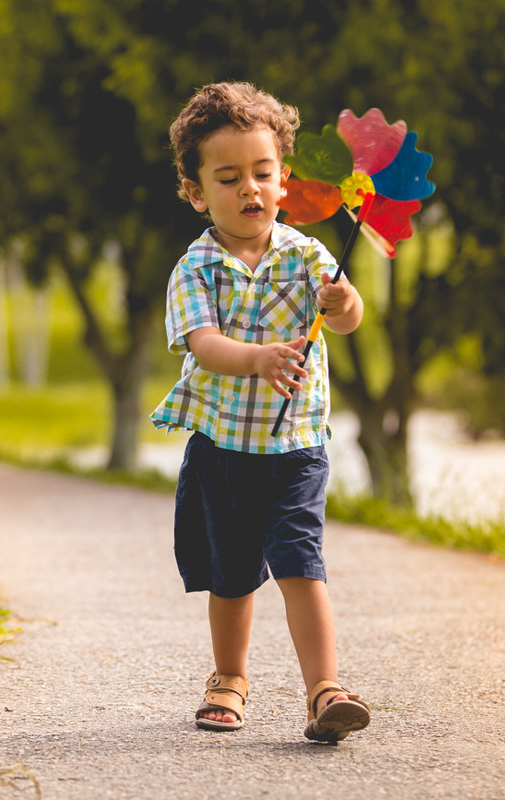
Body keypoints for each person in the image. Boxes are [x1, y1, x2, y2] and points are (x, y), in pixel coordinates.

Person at [150, 82, 370, 743]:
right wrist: (258, 359)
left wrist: (343, 305)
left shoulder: (308, 255)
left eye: (263, 173)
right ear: (195, 191)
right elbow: (205, 345)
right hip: (224, 450)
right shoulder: (196, 268)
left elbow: (350, 316)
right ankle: (229, 677)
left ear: (284, 181)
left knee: (302, 562)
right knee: (233, 573)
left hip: (297, 447)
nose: (250, 188)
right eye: (229, 177)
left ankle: (324, 690)